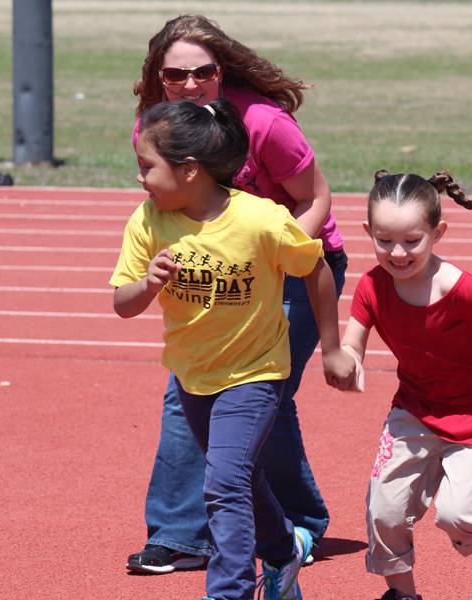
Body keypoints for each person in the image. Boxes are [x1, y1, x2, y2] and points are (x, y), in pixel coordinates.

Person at [126, 14, 347, 573]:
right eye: (176, 76)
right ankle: (181, 535)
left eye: (204, 72)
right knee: (190, 390)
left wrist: (275, 249)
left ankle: (297, 526)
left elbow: (315, 196)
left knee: (262, 394)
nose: (192, 85)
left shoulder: (264, 124)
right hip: (219, 266)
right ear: (158, 77)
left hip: (296, 259)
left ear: (222, 71)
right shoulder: (159, 127)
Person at [331, 170, 472, 600]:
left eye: (412, 240)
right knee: (383, 511)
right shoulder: (372, 285)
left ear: (436, 232)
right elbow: (353, 340)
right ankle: (402, 595)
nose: (398, 252)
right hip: (414, 412)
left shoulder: (458, 288)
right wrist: (348, 361)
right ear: (369, 232)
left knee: (457, 516)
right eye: (385, 240)